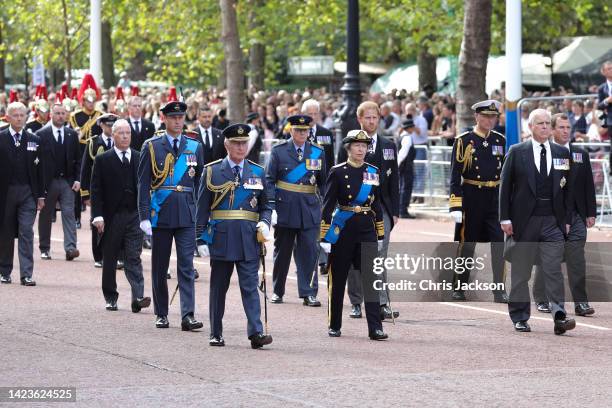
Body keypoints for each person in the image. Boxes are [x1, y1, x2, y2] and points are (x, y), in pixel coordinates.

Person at [196, 123, 273, 349]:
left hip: (249, 237)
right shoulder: (212, 171)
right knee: (219, 287)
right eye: (237, 143)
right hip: (221, 236)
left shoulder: (257, 171)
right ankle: (216, 332)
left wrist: (265, 222)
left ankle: (256, 332)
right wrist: (200, 239)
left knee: (250, 286)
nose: (241, 147)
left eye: (244, 143)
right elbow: (202, 208)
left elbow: (266, 204)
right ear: (227, 144)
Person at [499, 108, 575, 335]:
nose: (544, 127)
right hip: (525, 221)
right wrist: (505, 218)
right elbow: (505, 187)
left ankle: (559, 314)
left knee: (553, 269)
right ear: (530, 127)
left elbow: (568, 189)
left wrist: (567, 219)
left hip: (553, 220)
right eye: (539, 123)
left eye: (546, 123)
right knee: (521, 272)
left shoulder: (561, 152)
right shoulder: (516, 151)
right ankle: (520, 317)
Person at [138, 100, 204, 331]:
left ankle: (188, 315)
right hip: (161, 212)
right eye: (173, 117)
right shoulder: (152, 145)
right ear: (164, 118)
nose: (177, 121)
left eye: (181, 117)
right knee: (160, 265)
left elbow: (200, 183)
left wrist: (200, 215)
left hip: (186, 213)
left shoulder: (195, 146)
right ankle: (162, 312)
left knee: (186, 265)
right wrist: (144, 216)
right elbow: (143, 183)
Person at [320, 129, 388, 341]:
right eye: (357, 145)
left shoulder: (373, 171)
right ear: (348, 148)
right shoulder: (338, 171)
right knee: (338, 278)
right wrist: (325, 236)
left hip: (366, 228)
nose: (361, 149)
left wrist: (379, 232)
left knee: (371, 279)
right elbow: (328, 204)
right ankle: (334, 324)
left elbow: (376, 203)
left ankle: (375, 327)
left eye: (364, 146)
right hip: (344, 230)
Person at [338, 101, 399, 320]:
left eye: (375, 118)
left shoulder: (389, 145)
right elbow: (338, 175)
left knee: (379, 255)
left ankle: (382, 302)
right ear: (360, 119)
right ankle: (356, 301)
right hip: (355, 206)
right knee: (357, 255)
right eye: (368, 118)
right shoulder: (349, 143)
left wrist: (395, 211)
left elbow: (395, 178)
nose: (372, 121)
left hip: (381, 208)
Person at [532, 113, 596, 316]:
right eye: (561, 127)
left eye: (568, 127)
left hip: (576, 215)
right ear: (552, 130)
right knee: (550, 257)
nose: (566, 131)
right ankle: (542, 298)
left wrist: (590, 212)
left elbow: (588, 186)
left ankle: (581, 302)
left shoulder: (580, 154)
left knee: (577, 258)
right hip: (553, 216)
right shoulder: (546, 154)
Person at [448, 100, 508, 303]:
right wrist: (455, 205)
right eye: (486, 116)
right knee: (467, 244)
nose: (490, 120)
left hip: (494, 198)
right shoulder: (464, 140)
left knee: (499, 244)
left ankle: (499, 290)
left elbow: (504, 174)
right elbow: (455, 175)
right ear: (477, 117)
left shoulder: (500, 140)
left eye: (493, 117)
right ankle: (459, 286)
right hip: (472, 196)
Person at [90, 119, 151, 313]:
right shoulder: (103, 159)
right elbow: (96, 190)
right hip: (112, 215)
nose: (125, 136)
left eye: (128, 133)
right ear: (113, 135)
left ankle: (138, 297)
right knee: (110, 258)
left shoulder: (140, 157)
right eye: (121, 133)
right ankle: (111, 296)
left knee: (134, 256)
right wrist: (97, 216)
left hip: (134, 214)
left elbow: (146, 187)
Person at [265, 114, 325, 306]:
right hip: (285, 208)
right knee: (282, 253)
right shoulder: (279, 151)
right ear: (291, 130)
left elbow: (324, 183)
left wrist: (325, 207)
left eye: (305, 130)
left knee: (309, 252)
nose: (301, 133)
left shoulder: (317, 151)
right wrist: (271, 207)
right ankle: (278, 290)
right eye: (298, 130)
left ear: (309, 131)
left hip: (309, 208)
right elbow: (269, 180)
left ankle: (308, 292)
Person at [0, 102, 44, 286]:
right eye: (15, 115)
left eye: (22, 115)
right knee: (6, 232)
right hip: (5, 192)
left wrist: (41, 195)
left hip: (27, 192)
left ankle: (26, 274)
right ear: (8, 117)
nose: (19, 118)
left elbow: (40, 169)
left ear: (27, 117)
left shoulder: (34, 139)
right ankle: (4, 270)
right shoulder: (0, 138)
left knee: (26, 231)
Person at [37, 102, 81, 261]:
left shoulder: (71, 134)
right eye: (57, 113)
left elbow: (78, 159)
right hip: (48, 182)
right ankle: (45, 248)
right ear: (51, 114)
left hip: (67, 181)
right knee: (46, 214)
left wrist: (77, 179)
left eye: (63, 113)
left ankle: (70, 248)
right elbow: (37, 162)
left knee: (69, 213)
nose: (61, 116)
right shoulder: (41, 134)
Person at [302, 99, 335, 276]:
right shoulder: (297, 133)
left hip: (322, 186)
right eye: (309, 114)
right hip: (302, 187)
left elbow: (330, 161)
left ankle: (323, 259)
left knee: (323, 222)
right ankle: (307, 258)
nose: (313, 117)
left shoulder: (326, 134)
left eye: (315, 113)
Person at [81, 113, 119, 268]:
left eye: (113, 125)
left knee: (116, 223)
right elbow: (85, 170)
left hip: (116, 190)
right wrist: (85, 193)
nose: (110, 128)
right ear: (101, 125)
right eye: (108, 125)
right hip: (98, 190)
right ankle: (98, 256)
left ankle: (115, 255)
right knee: (98, 222)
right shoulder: (93, 143)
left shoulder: (120, 141)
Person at [69, 74, 103, 230]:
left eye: (93, 101)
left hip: (95, 151)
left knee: (95, 184)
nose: (91, 104)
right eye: (88, 101)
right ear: (83, 100)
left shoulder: (100, 116)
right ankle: (76, 217)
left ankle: (94, 216)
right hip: (80, 149)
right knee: (78, 185)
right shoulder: (75, 116)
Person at [397, 118, 416, 219]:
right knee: (406, 187)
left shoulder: (402, 136)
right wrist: (398, 165)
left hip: (403, 166)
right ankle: (403, 210)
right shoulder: (407, 138)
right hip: (406, 166)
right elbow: (403, 153)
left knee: (403, 187)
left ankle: (401, 209)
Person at [596, 60, 612, 171]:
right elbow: (599, 106)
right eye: (609, 68)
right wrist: (607, 101)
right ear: (603, 72)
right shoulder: (602, 88)